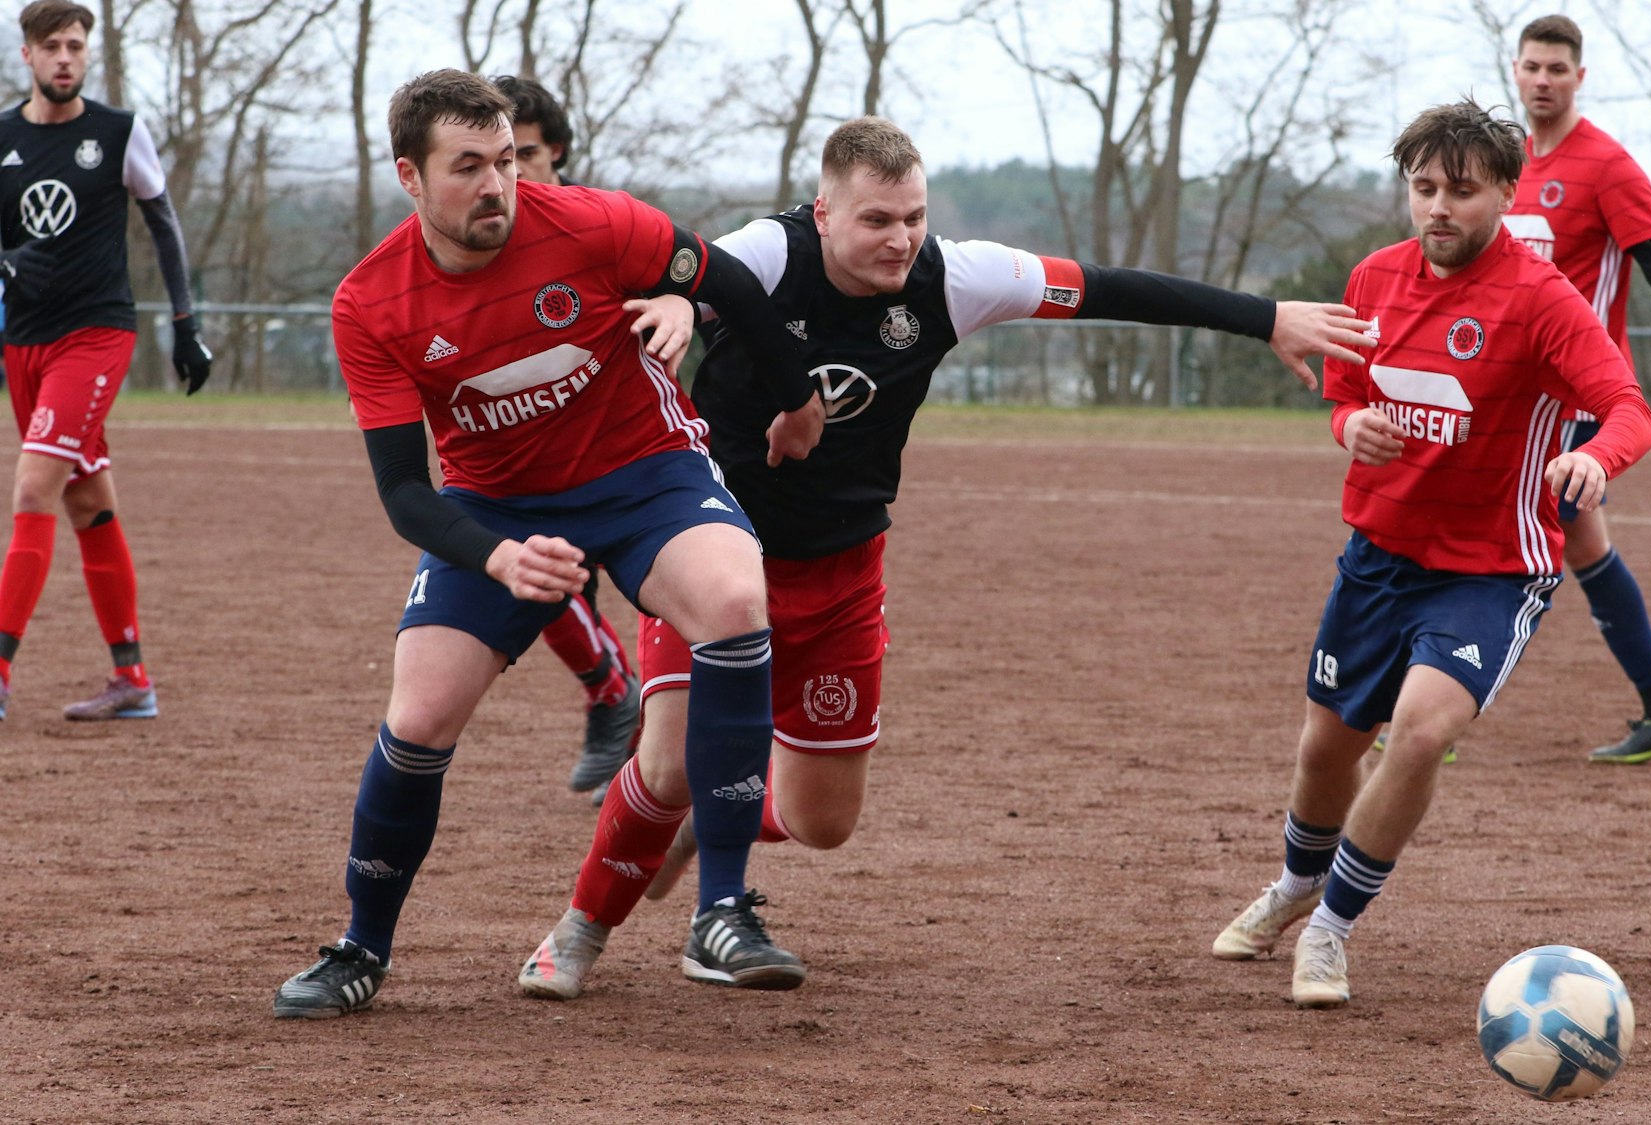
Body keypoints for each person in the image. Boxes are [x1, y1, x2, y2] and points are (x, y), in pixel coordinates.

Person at [513, 114, 1379, 1002]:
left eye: (913, 217)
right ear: (824, 212)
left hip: (844, 572)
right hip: (707, 557)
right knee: (667, 763)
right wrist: (675, 301)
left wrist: (1267, 317)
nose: (900, 239)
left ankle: (719, 802)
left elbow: (1112, 289)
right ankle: (575, 935)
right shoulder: (771, 255)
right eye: (876, 221)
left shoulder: (955, 277)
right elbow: (693, 276)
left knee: (824, 822)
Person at [272, 69, 825, 1019]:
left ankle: (722, 911)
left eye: (504, 161)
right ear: (410, 176)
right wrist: (496, 555)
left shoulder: (598, 223)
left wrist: (798, 396)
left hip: (648, 473)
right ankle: (362, 944)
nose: (496, 185)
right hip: (495, 504)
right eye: (467, 168)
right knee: (420, 711)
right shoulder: (371, 303)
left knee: (735, 601)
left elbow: (725, 281)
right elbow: (406, 490)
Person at [1210, 99, 1651, 1009]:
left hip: (1490, 568)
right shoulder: (1373, 279)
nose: (1438, 207)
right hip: (1377, 557)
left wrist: (1591, 456)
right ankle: (1295, 885)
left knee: (1419, 733)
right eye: (1423, 188)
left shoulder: (1541, 297)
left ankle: (1329, 929)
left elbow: (1629, 407)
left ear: (1503, 190)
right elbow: (1341, 391)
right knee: (1328, 747)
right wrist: (1351, 423)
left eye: (1460, 189)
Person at [1505, 14, 1651, 764]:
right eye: (1532, 66)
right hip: (1510, 392)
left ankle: (1425, 707)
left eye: (1557, 69)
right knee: (1579, 541)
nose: (1543, 80)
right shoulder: (1507, 162)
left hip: (1575, 397)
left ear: (1579, 77)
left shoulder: (1607, 165)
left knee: (1503, 531)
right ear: (1515, 69)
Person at [0, 0, 212, 722]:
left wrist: (186, 324)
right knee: (87, 501)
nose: (65, 58)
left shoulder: (118, 132)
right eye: (52, 47)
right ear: (27, 56)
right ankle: (133, 679)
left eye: (76, 46)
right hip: (24, 342)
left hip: (95, 336)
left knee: (32, 490)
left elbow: (163, 221)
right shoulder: (1, 136)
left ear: (87, 55)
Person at [489, 73, 641, 798]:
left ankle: (679, 736)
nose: (507, 175)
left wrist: (672, 305)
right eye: (493, 157)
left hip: (628, 443)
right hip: (531, 448)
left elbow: (686, 278)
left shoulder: (599, 223)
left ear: (557, 151)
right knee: (536, 570)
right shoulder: (476, 234)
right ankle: (612, 691)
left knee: (693, 594)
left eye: (522, 154)